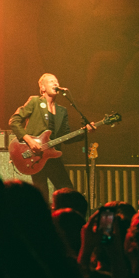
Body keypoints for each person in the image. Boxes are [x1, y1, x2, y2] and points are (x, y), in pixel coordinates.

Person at [9, 73, 94, 204]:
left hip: (53, 157)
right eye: (51, 81)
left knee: (68, 193)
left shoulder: (62, 111)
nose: (55, 83)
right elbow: (14, 121)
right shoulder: (35, 102)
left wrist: (84, 132)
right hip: (35, 155)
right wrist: (30, 142)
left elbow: (66, 137)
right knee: (42, 196)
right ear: (42, 88)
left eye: (56, 81)